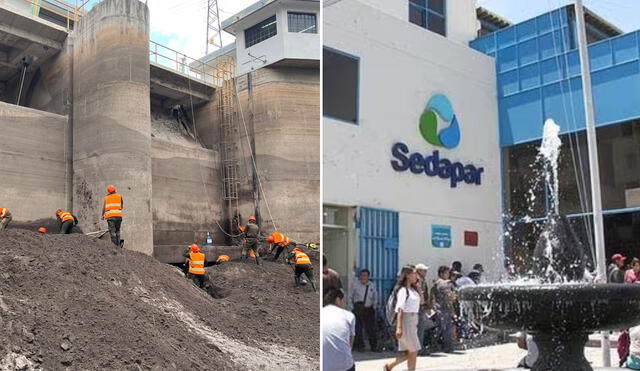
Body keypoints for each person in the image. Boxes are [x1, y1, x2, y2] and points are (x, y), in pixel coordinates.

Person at [384, 265, 421, 371]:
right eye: (414, 273)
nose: (416, 276)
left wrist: (418, 287)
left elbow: (421, 302)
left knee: (411, 350)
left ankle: (390, 366)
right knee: (413, 350)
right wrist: (399, 327)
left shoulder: (413, 290)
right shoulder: (403, 290)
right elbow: (400, 309)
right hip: (406, 320)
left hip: (413, 320)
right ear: (407, 275)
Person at [322, 288, 356, 371]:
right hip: (344, 367)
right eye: (344, 300)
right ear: (338, 300)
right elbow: (350, 343)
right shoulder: (349, 315)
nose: (345, 303)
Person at [350, 268, 379, 352]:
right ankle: (360, 347)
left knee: (371, 328)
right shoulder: (355, 285)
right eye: (362, 275)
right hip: (358, 308)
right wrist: (351, 308)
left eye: (365, 275)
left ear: (368, 277)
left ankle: (374, 346)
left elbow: (375, 297)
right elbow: (350, 296)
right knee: (358, 328)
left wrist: (374, 307)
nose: (363, 277)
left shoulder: (372, 285)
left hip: (369, 309)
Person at [433, 265, 456, 353]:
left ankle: (437, 345)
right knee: (446, 329)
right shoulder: (445, 283)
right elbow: (450, 297)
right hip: (444, 308)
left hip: (439, 308)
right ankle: (448, 347)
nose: (448, 275)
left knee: (440, 329)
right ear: (441, 273)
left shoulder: (436, 283)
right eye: (447, 273)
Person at [415, 263, 434, 356]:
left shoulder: (422, 280)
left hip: (421, 307)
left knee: (421, 328)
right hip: (418, 307)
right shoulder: (418, 281)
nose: (426, 272)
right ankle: (419, 348)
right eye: (424, 270)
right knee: (420, 328)